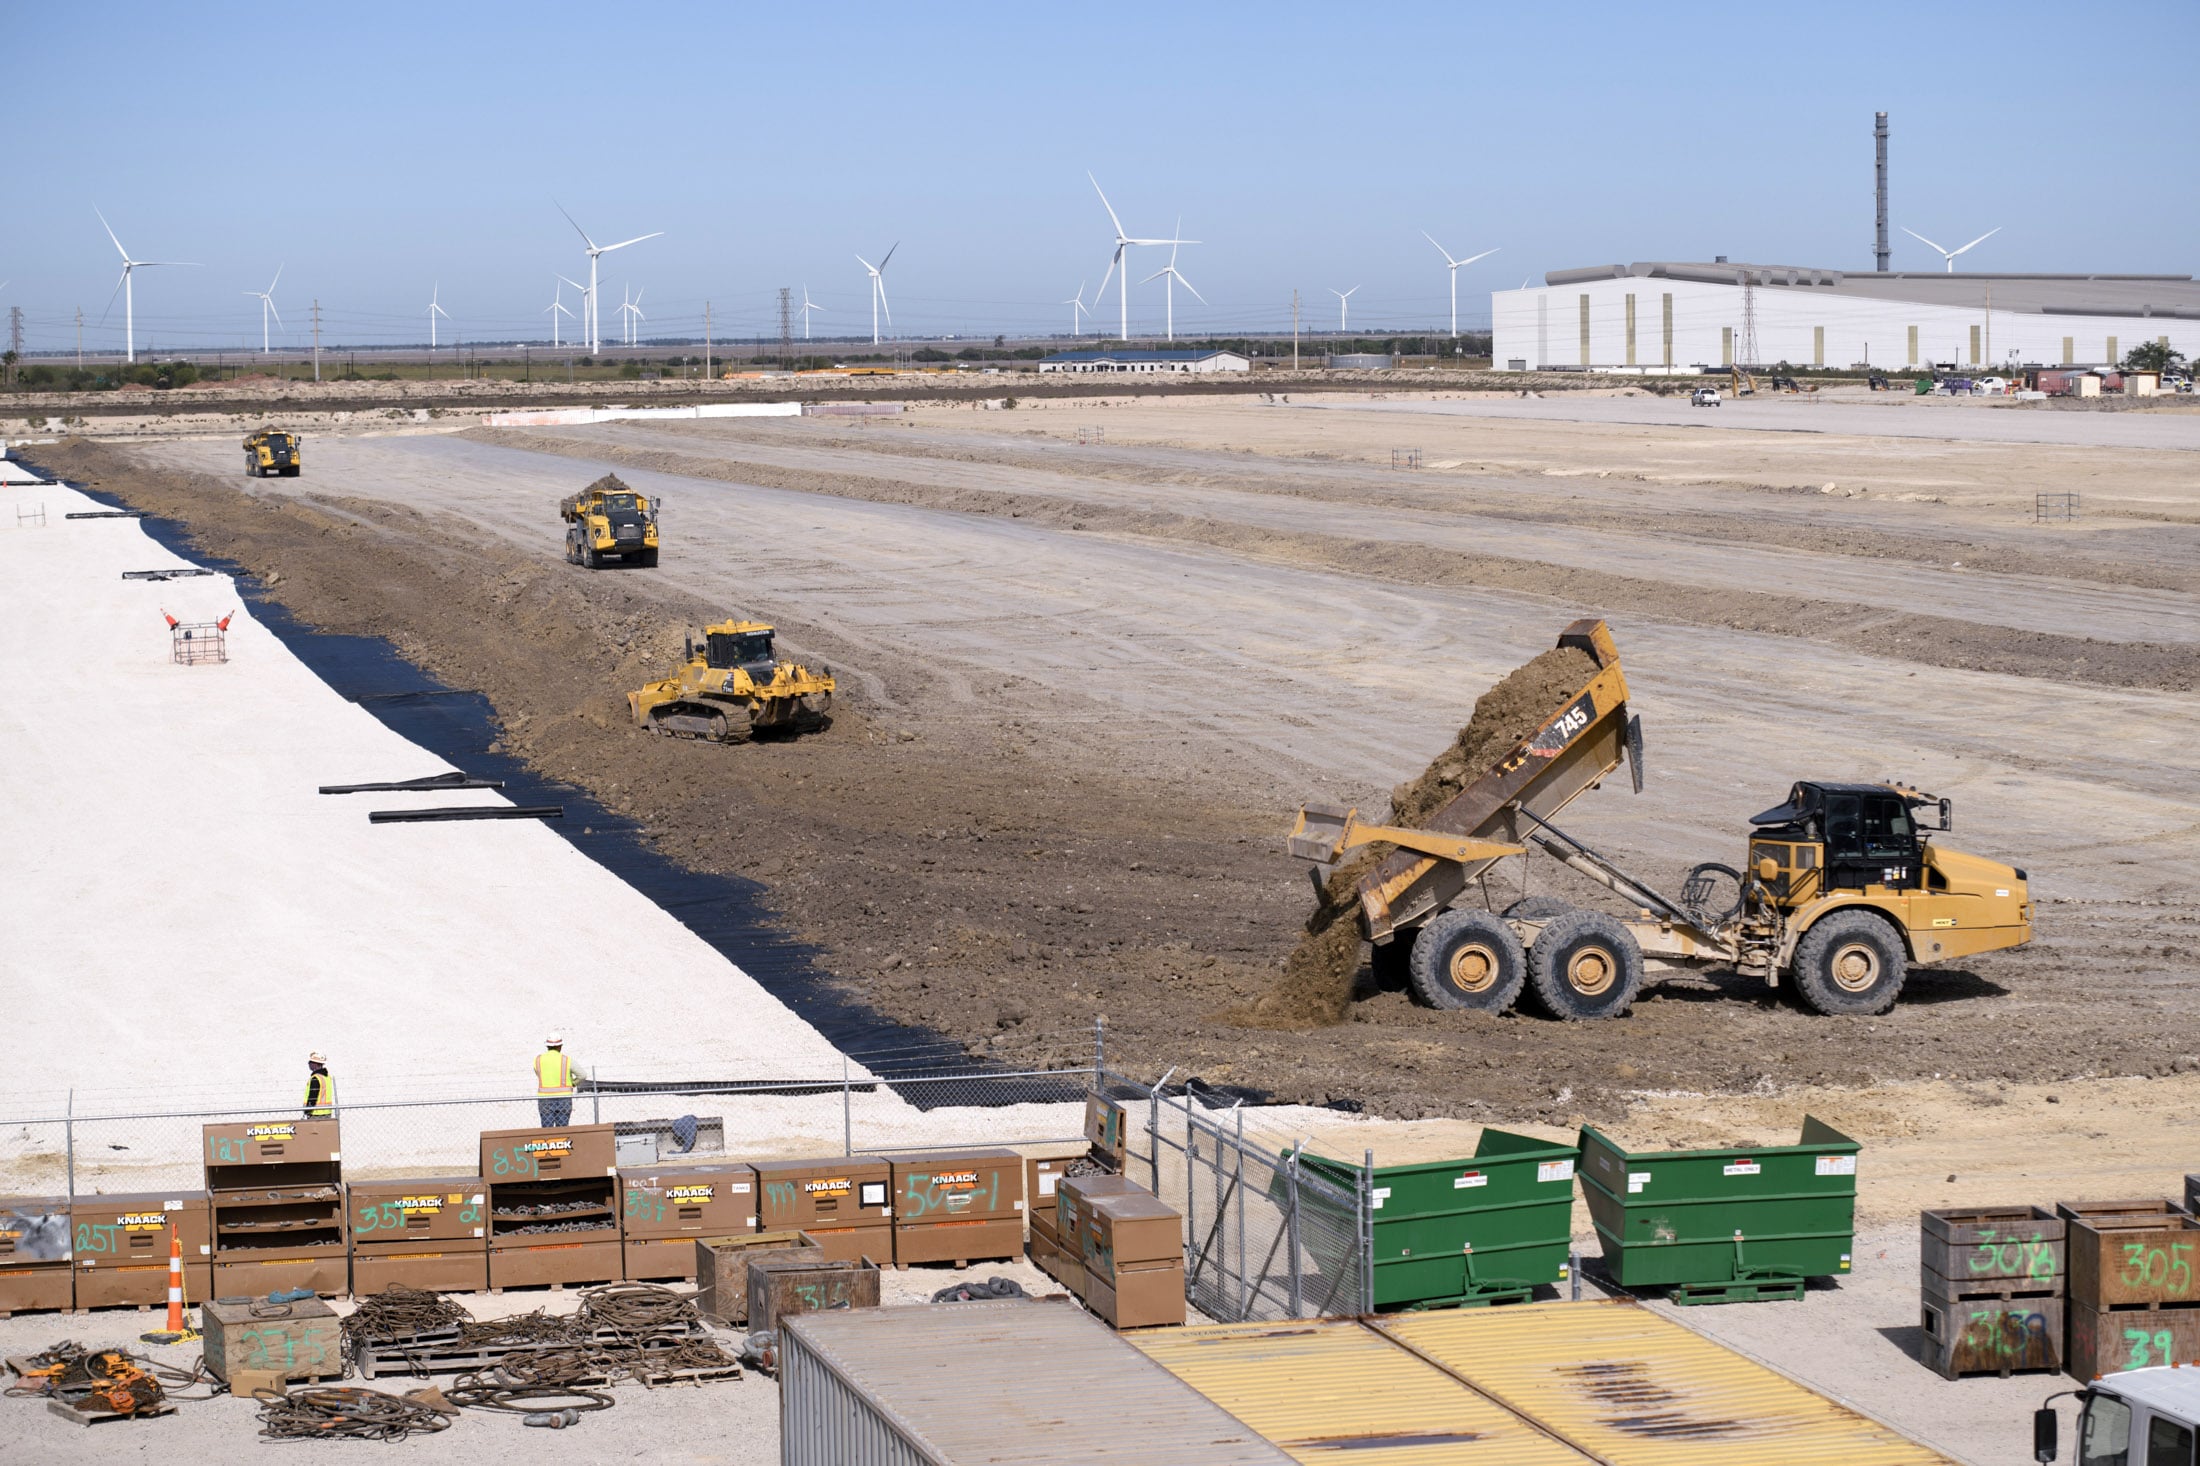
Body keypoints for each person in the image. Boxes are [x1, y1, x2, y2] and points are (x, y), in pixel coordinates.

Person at [534, 1034, 575, 1127]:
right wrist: (573, 1083)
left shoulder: (538, 1059)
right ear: (560, 1046)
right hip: (564, 1098)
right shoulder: (566, 1059)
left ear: (547, 1046)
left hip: (545, 1098)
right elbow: (582, 1075)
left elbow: (538, 1073)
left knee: (547, 1129)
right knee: (562, 1129)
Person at [302, 1053, 335, 1119]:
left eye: (310, 1062)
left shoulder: (316, 1078)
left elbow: (312, 1097)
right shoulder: (327, 1077)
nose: (308, 1063)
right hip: (327, 1112)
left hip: (316, 1114)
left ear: (316, 1064)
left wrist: (307, 1111)